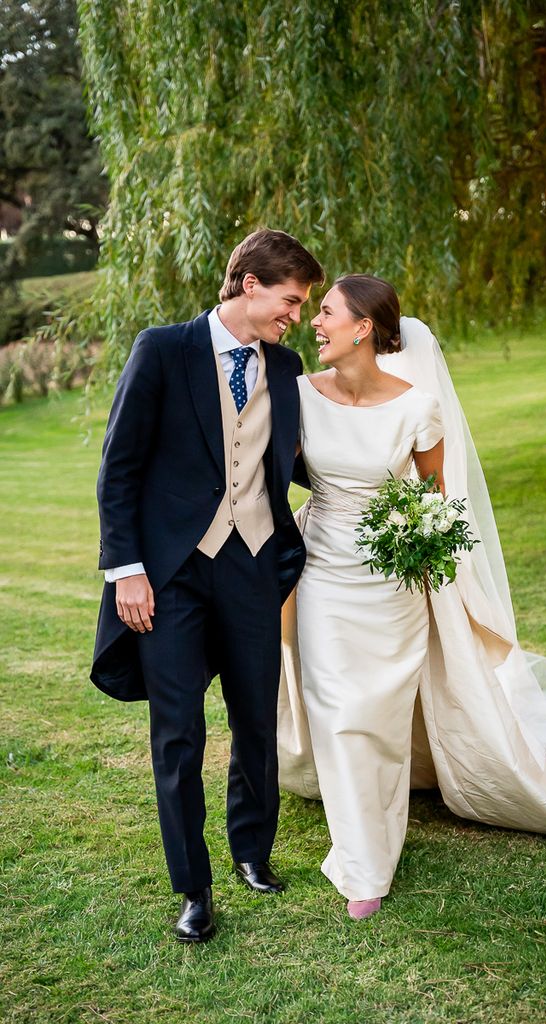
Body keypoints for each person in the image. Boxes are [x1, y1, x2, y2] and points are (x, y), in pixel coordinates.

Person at [277, 274, 546, 921]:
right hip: (320, 575)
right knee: (340, 713)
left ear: (363, 327)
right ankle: (364, 863)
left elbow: (434, 497)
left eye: (325, 312)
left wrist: (420, 546)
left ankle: (379, 826)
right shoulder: (298, 397)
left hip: (391, 584)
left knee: (376, 714)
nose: (313, 323)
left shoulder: (415, 408)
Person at [92, 228, 324, 942]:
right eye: (289, 301)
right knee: (179, 734)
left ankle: (253, 852)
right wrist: (127, 571)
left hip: (254, 563)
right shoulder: (163, 350)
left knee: (256, 718)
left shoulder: (285, 369)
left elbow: (311, 462)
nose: (295, 317)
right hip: (171, 575)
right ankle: (194, 887)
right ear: (249, 283)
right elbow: (119, 467)